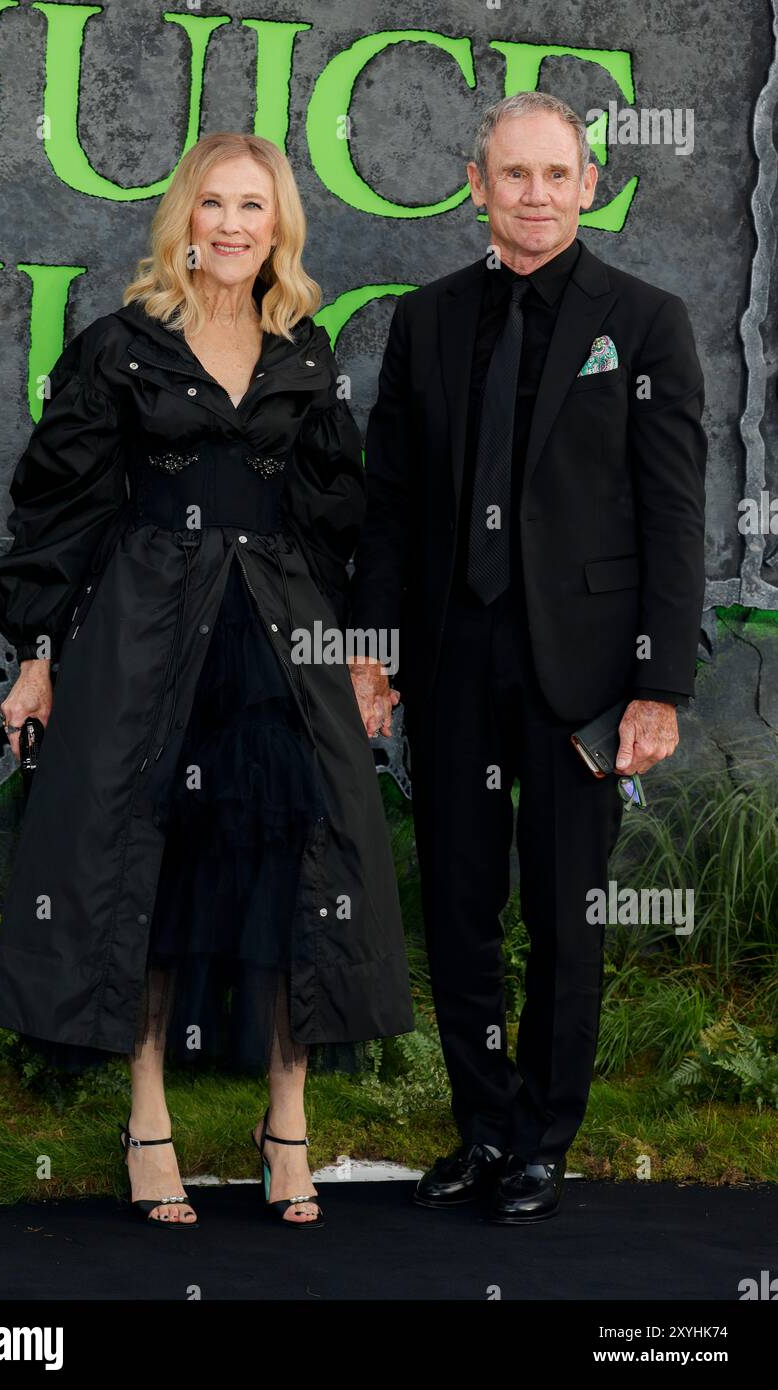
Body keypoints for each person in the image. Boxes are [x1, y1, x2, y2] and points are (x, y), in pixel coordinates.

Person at [0, 131, 414, 1229]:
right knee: (145, 873)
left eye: (251, 208)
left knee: (299, 870)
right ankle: (147, 1120)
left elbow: (339, 524)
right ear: (183, 218)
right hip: (142, 635)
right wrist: (36, 659)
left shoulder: (305, 355)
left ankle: (286, 1127)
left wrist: (364, 652)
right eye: (212, 204)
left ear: (279, 229)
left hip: (276, 641)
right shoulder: (119, 347)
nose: (230, 225)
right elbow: (60, 509)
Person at [348, 91, 707, 1223]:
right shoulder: (427, 320)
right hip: (453, 660)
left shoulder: (644, 322)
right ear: (475, 185)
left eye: (556, 176)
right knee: (455, 905)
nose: (535, 196)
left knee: (563, 911)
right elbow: (391, 507)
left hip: (586, 674)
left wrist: (658, 684)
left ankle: (547, 1137)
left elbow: (672, 513)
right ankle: (482, 1127)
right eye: (513, 176)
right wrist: (371, 653)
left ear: (589, 185)